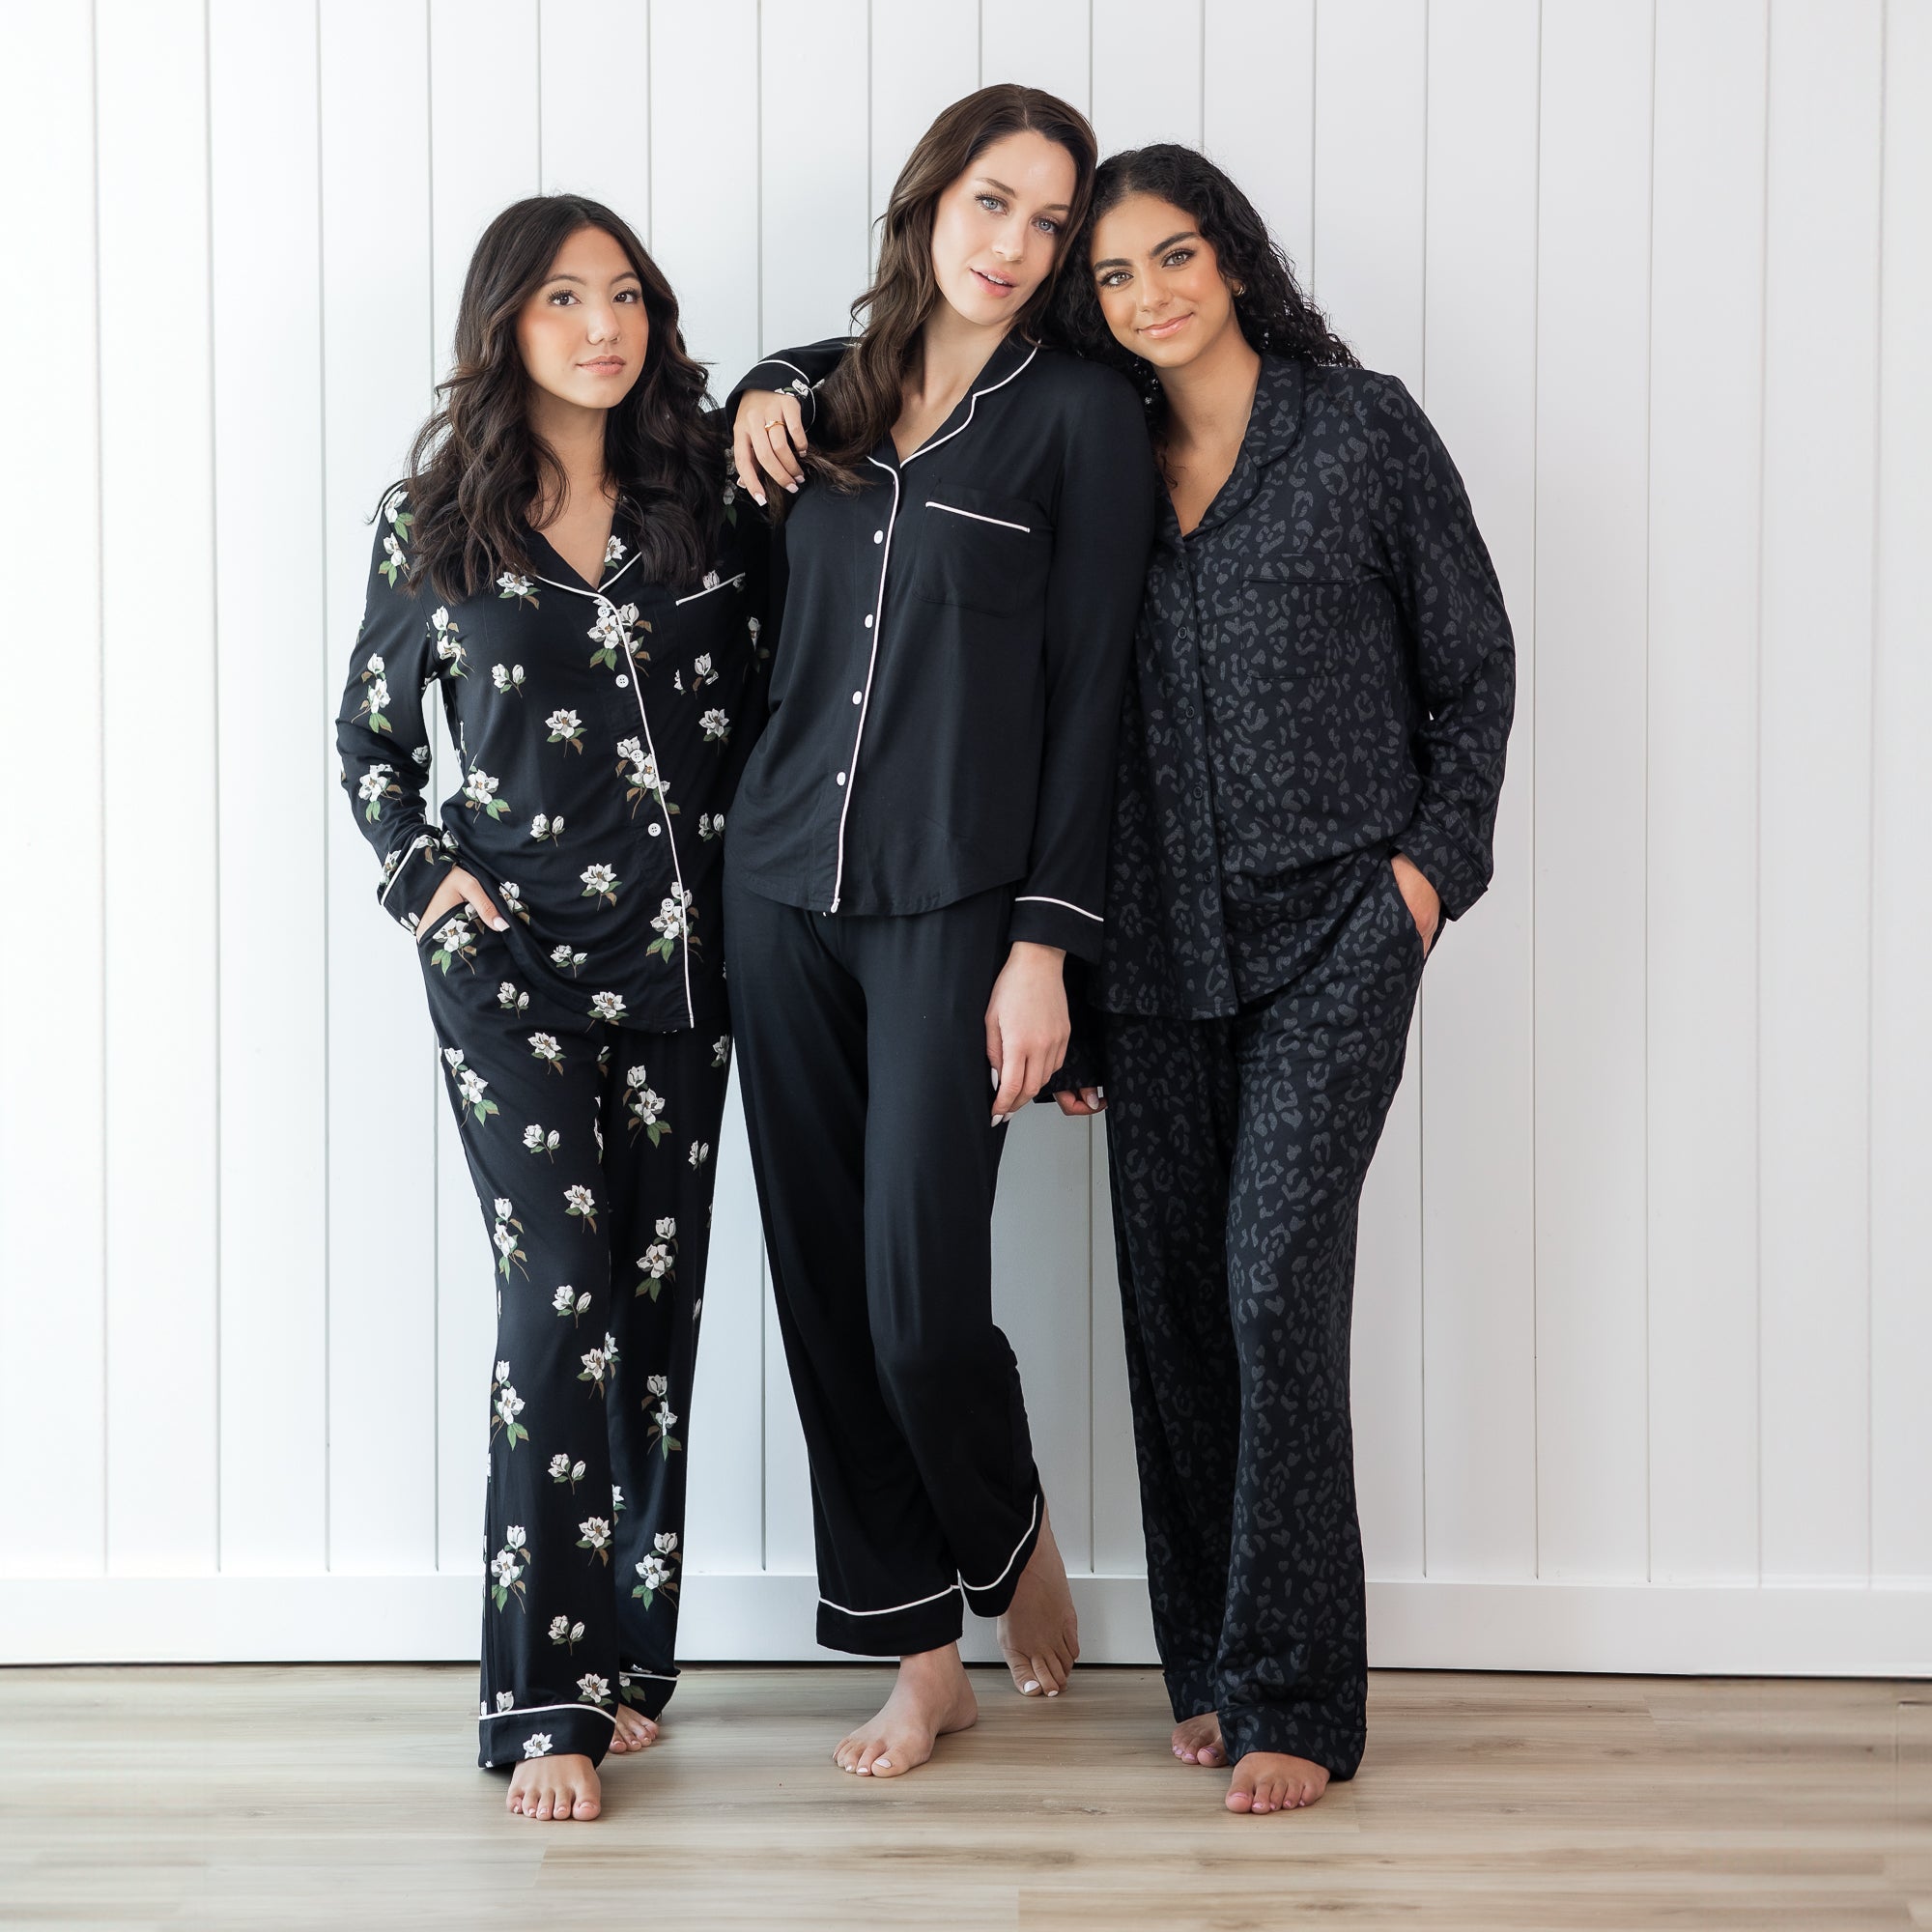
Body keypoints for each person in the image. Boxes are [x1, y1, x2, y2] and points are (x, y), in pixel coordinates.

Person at [735, 140, 1515, 1819]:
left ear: (1233, 259)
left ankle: (1299, 1693)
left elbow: (1475, 663)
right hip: (1154, 950)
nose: (1144, 293)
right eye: (1114, 274)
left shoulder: (1357, 429)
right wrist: (1074, 972)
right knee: (1171, 1314)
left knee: (1268, 1290)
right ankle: (1217, 1669)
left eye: (1172, 259)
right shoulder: (1090, 436)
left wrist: (1427, 880)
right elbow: (897, 385)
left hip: (1334, 931)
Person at [720, 84, 1156, 1780]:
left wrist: (1047, 948)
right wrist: (757, 384)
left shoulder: (1082, 419)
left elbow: (1092, 690)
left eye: (1051, 224)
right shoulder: (815, 400)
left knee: (917, 1296)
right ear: (928, 202)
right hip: (782, 897)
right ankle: (923, 1655)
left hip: (956, 911)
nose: (1019, 247)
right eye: (996, 203)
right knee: (827, 1296)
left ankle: (1007, 1528)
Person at [333, 194, 766, 1824]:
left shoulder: (710, 499)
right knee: (559, 1303)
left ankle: (623, 1666)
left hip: (694, 973)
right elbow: (373, 744)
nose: (604, 325)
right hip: (510, 976)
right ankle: (539, 1703)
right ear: (505, 323)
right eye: (565, 299)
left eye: (628, 295)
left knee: (655, 1327)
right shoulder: (434, 519)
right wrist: (429, 884)